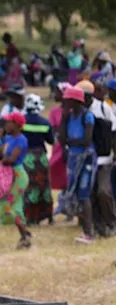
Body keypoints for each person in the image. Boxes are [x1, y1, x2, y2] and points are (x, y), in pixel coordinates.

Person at [58, 85, 96, 244]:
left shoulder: (87, 116)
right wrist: (63, 120)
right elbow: (61, 140)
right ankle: (85, 229)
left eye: (67, 101)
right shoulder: (69, 117)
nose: (64, 104)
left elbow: (86, 141)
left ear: (75, 101)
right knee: (75, 193)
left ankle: (89, 233)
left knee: (83, 194)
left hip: (85, 158)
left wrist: (70, 142)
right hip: (74, 158)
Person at [0, 112, 32, 249]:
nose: (5, 125)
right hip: (9, 175)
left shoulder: (21, 140)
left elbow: (11, 159)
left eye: (8, 122)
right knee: (14, 206)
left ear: (16, 124)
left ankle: (25, 236)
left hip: (18, 176)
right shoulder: (8, 138)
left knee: (10, 205)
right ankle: (25, 233)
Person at [21, 93, 55, 226]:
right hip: (40, 157)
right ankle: (47, 215)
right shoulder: (45, 123)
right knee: (44, 186)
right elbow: (51, 141)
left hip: (26, 157)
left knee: (29, 186)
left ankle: (30, 217)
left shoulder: (21, 122)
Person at [88, 78, 116, 236]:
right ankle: (98, 225)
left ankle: (111, 222)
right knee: (90, 193)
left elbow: (113, 132)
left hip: (105, 159)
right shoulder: (80, 110)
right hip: (87, 159)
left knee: (103, 192)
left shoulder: (104, 108)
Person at [49, 84, 70, 192]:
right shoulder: (54, 112)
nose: (55, 95)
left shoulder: (72, 112)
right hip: (58, 147)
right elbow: (53, 130)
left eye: (57, 92)